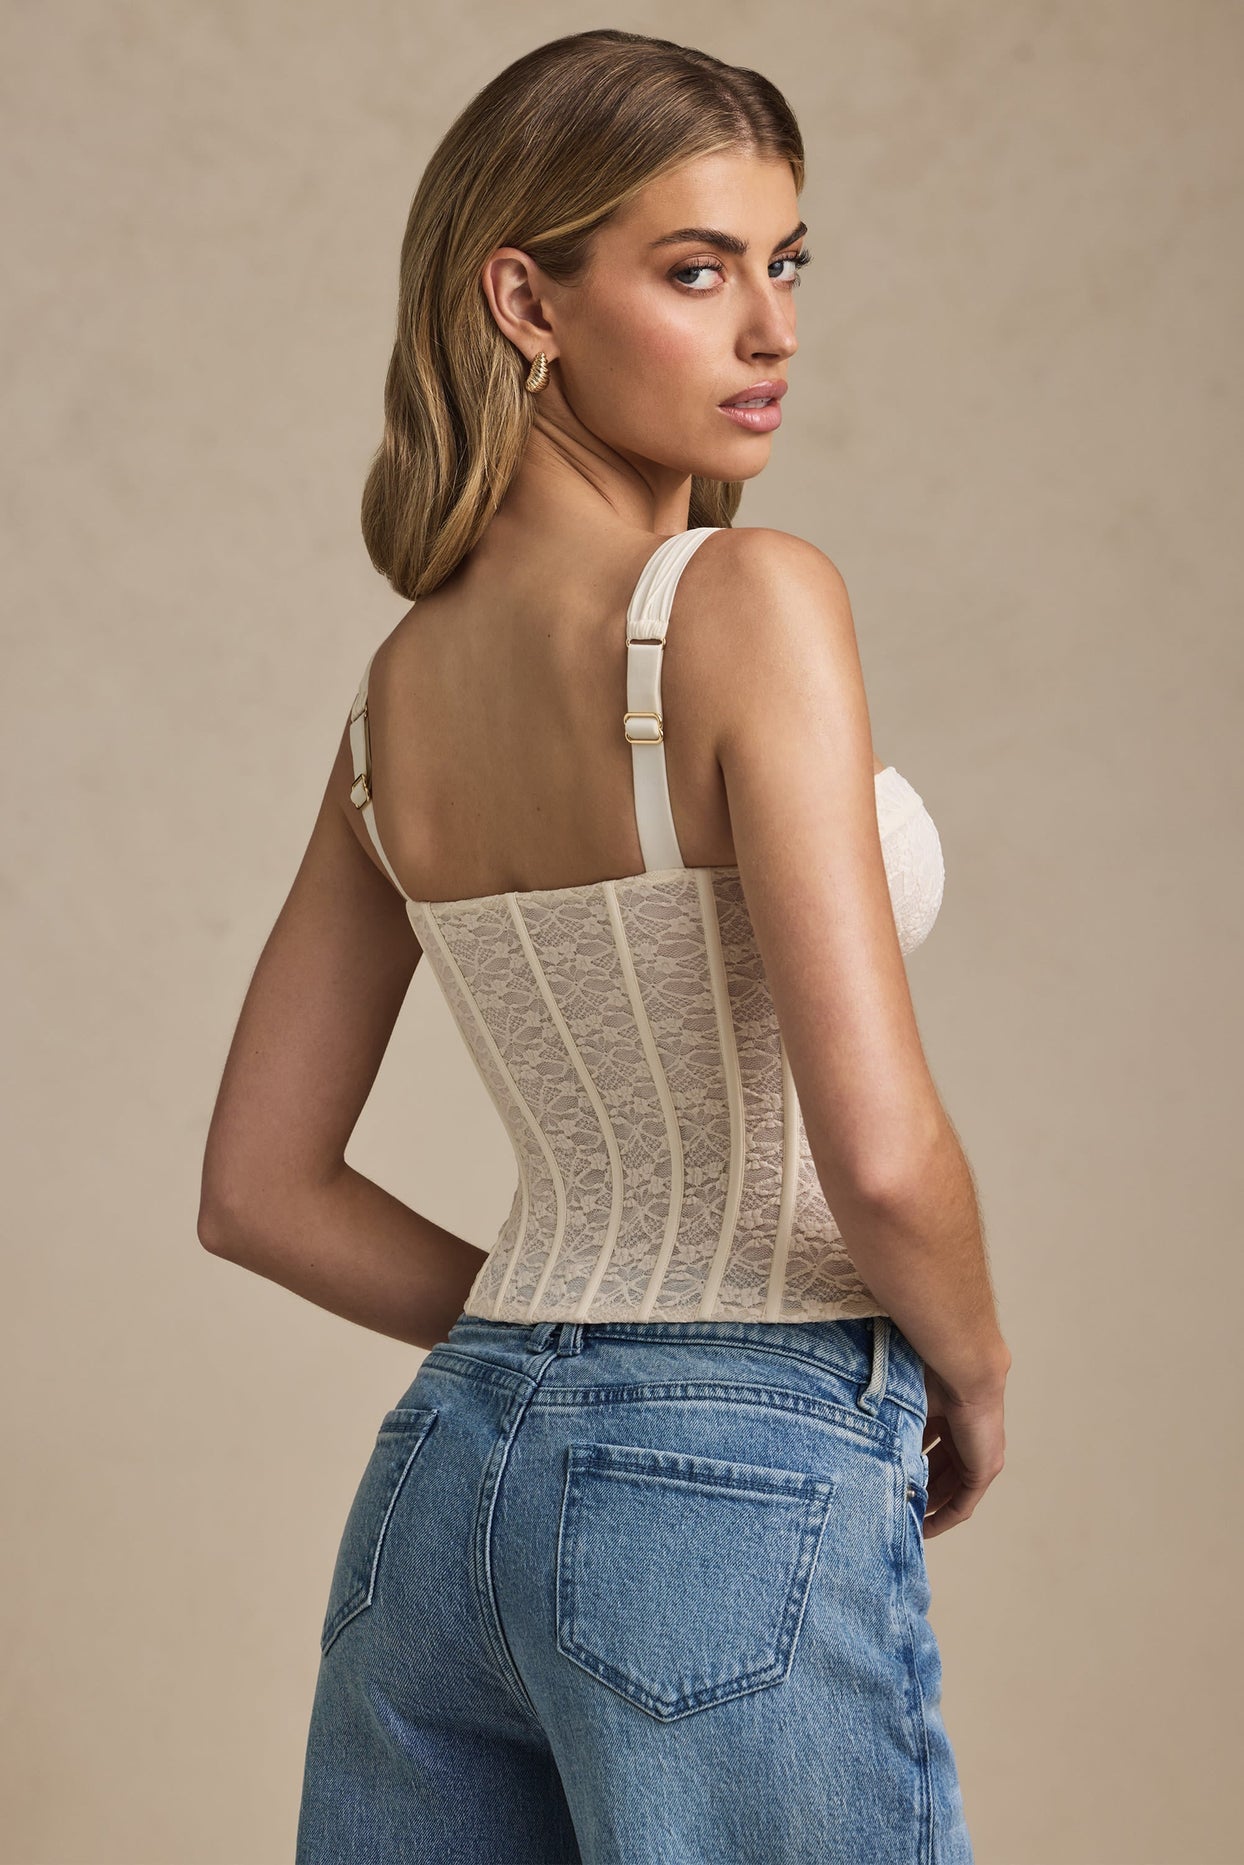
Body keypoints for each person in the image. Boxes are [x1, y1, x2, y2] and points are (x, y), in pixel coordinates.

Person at [198, 27, 1010, 1864]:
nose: (771, 330)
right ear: (527, 301)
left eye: (786, 262)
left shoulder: (394, 696)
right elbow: (880, 1157)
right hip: (738, 1475)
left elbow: (256, 1188)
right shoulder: (750, 599)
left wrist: (555, 1350)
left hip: (444, 1483)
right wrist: (964, 1370)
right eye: (696, 270)